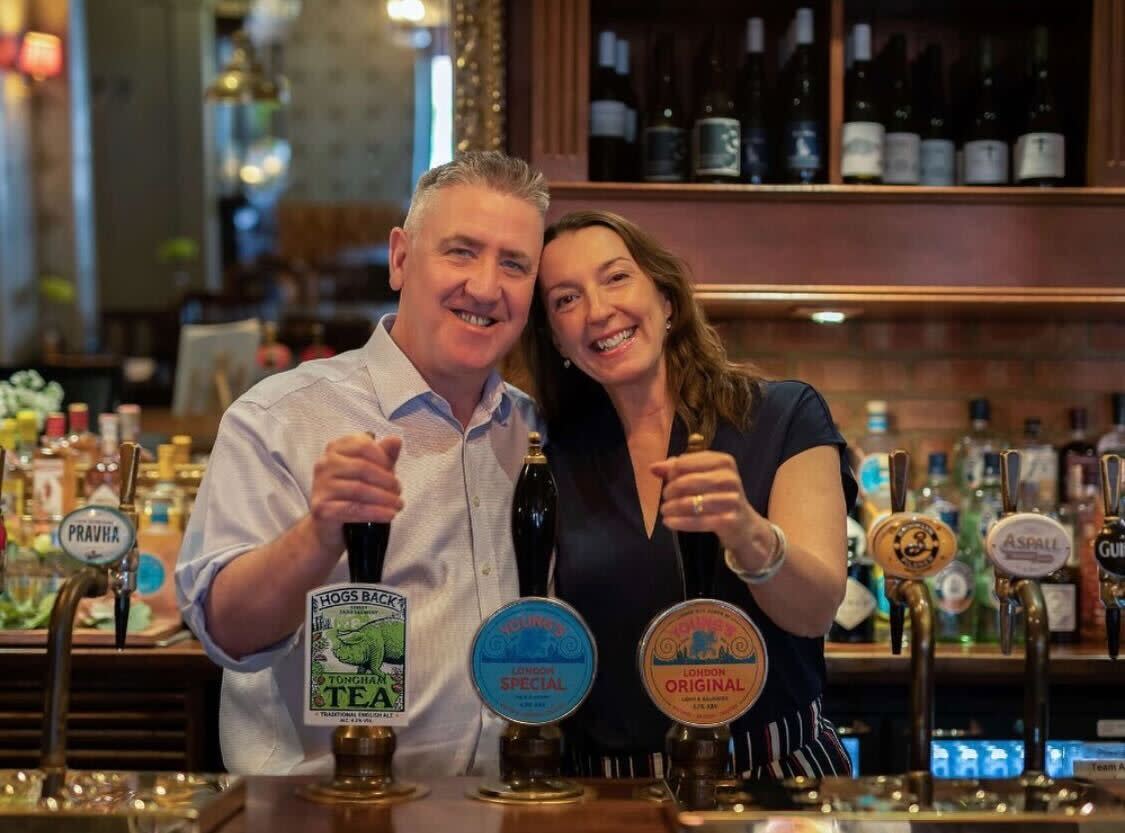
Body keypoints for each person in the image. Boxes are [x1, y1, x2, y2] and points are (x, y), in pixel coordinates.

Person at [176, 151, 549, 776]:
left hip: (503, 805)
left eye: (514, 264)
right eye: (461, 251)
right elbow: (226, 630)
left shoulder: (534, 432)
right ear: (401, 258)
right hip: (325, 813)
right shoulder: (278, 418)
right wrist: (320, 535)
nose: (486, 287)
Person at [520, 210, 857, 779]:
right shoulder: (552, 459)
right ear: (555, 338)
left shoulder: (782, 416)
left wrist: (746, 531)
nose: (599, 310)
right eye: (566, 299)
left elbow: (816, 610)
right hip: (609, 796)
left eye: (617, 278)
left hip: (772, 783)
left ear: (667, 300)